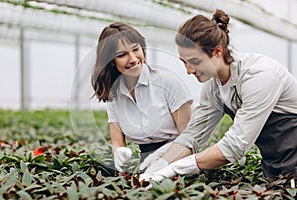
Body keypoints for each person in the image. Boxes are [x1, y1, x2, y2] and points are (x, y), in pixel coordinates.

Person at [140, 9, 297, 181]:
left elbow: (235, 147)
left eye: (194, 61)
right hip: (276, 163)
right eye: (184, 62)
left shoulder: (260, 77)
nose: (188, 70)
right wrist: (160, 164)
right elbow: (193, 135)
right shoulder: (213, 85)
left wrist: (176, 168)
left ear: (217, 51)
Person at [91, 22, 193, 172]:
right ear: (111, 61)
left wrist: (164, 160)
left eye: (135, 49)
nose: (133, 59)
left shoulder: (167, 82)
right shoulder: (115, 94)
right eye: (122, 55)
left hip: (181, 160)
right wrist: (119, 152)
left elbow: (189, 138)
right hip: (146, 165)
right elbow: (117, 142)